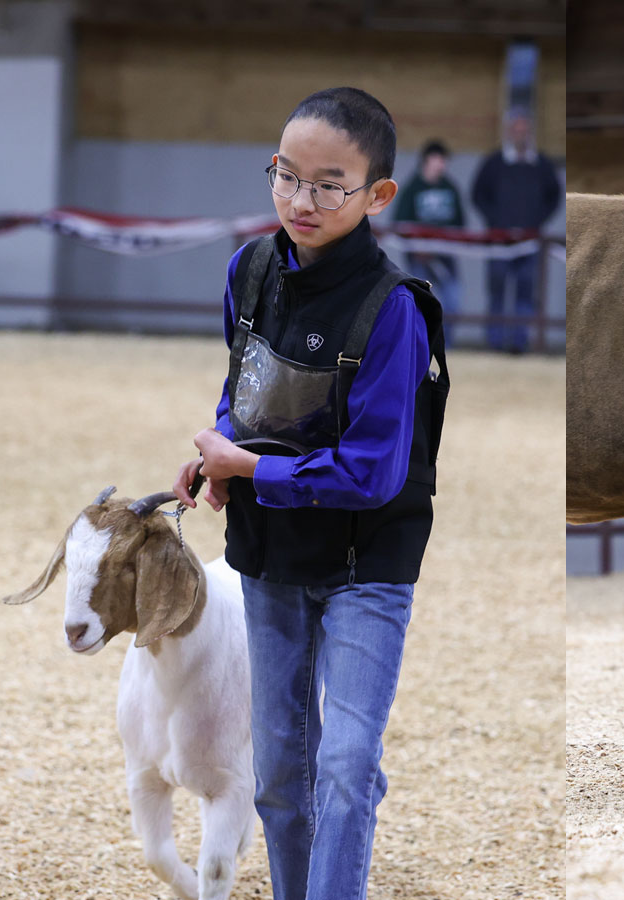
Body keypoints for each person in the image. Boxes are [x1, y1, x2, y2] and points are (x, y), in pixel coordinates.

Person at [172, 87, 448, 896]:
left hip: (369, 560)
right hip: (273, 554)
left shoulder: (395, 310)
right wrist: (219, 449)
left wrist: (250, 469)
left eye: (330, 184)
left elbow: (372, 472)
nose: (301, 199)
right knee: (279, 778)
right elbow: (244, 387)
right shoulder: (248, 269)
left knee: (347, 762)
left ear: (378, 195)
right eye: (285, 176)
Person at [470, 109, 562, 353]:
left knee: (525, 294)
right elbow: (478, 195)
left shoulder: (541, 164)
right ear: (509, 131)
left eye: (524, 129)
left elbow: (554, 196)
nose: (520, 133)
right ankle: (496, 343)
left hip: (530, 243)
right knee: (497, 293)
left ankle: (519, 343)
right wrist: (495, 222)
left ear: (530, 132)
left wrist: (537, 221)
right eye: (516, 129)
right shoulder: (494, 163)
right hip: (499, 242)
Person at [394, 140, 465, 345]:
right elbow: (400, 223)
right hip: (419, 258)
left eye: (444, 160)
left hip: (445, 256)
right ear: (427, 160)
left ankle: (445, 343)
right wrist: (417, 247)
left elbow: (460, 223)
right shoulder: (412, 189)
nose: (441, 165)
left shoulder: (450, 187)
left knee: (453, 299)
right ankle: (420, 342)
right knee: (420, 301)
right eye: (438, 159)